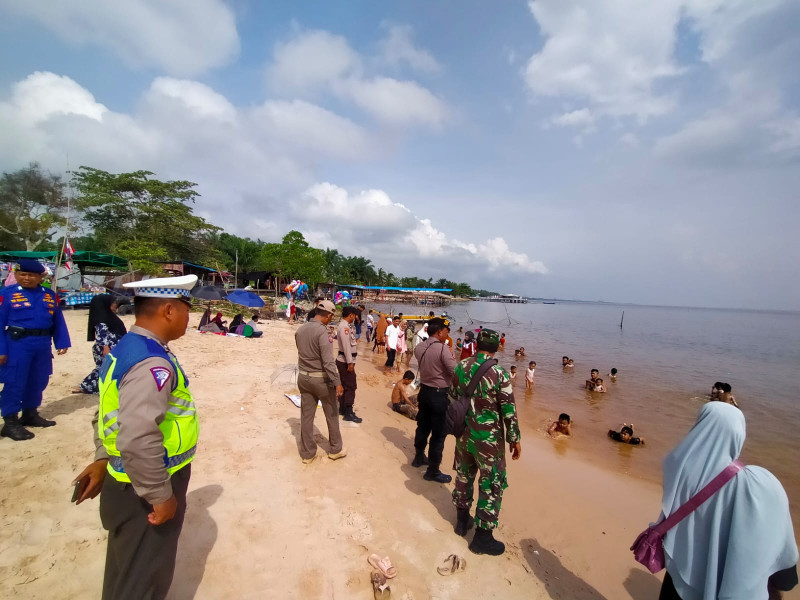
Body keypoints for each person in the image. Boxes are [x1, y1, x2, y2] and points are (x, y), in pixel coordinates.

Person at [72, 274, 200, 599]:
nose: (190, 317)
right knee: (144, 579)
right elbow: (138, 438)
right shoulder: (151, 362)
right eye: (188, 308)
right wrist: (160, 495)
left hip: (125, 479)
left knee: (126, 573)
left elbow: (107, 411)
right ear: (169, 310)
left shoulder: (126, 348)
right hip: (143, 487)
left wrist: (103, 457)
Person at [653, 402, 798, 600]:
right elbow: (776, 540)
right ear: (739, 433)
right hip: (729, 579)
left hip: (679, 575)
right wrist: (784, 579)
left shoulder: (677, 468)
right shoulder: (760, 484)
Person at [451, 329, 521, 556]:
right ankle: (482, 538)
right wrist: (514, 439)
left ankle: (462, 522)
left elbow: (453, 395)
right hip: (488, 440)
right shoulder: (500, 373)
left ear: (478, 344)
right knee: (491, 484)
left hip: (464, 434)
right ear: (497, 347)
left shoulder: (461, 366)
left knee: (464, 475)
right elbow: (509, 411)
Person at [0, 259, 71, 440]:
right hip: (17, 344)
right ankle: (10, 422)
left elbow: (58, 320)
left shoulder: (49, 295)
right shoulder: (6, 295)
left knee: (39, 380)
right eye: (22, 274)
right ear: (15, 274)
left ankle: (30, 414)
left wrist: (62, 341)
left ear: (41, 277)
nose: (26, 278)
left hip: (42, 344)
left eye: (31, 275)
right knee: (15, 382)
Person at [294, 300, 346, 464]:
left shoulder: (301, 330)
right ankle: (335, 449)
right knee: (331, 414)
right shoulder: (323, 332)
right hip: (321, 379)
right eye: (332, 316)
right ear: (329, 315)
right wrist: (337, 382)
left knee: (306, 417)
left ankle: (308, 454)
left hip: (303, 377)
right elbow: (328, 362)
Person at [412, 318, 457, 483]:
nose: (448, 334)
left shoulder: (420, 347)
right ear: (440, 332)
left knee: (422, 426)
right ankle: (432, 470)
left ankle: (418, 457)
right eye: (447, 331)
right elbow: (455, 372)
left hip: (424, 391)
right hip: (439, 394)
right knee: (438, 434)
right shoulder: (443, 349)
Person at [76, 294, 131, 394]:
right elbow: (101, 335)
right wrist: (106, 348)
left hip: (113, 347)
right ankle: (85, 386)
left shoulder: (110, 316)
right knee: (104, 368)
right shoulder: (102, 319)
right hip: (106, 348)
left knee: (107, 368)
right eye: (113, 303)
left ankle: (89, 386)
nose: (115, 305)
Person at [336, 306, 362, 423]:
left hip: (346, 360)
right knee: (351, 386)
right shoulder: (344, 327)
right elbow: (346, 346)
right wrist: (350, 362)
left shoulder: (346, 326)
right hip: (345, 361)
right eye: (355, 315)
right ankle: (348, 412)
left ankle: (342, 409)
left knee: (345, 385)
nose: (355, 317)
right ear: (351, 315)